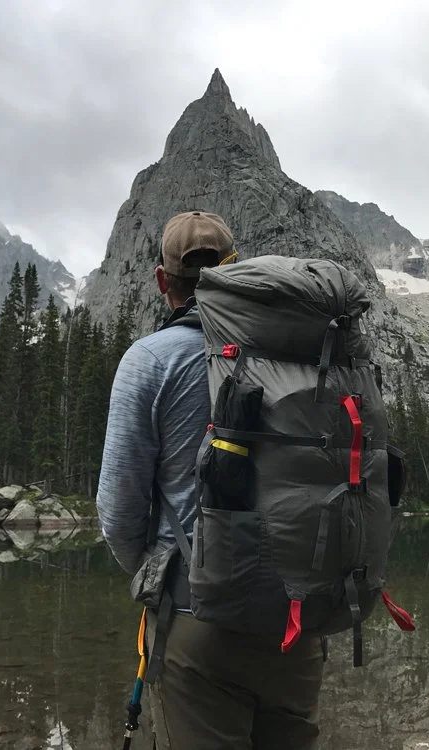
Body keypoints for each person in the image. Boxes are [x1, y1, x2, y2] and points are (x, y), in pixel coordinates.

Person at [96, 210, 326, 750]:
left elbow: (119, 514)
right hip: (298, 619)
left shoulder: (151, 360)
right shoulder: (296, 356)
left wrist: (161, 579)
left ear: (162, 280)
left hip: (197, 619)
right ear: (236, 269)